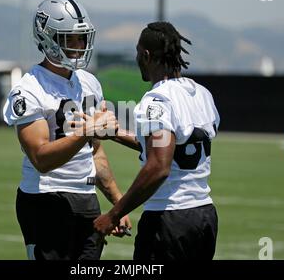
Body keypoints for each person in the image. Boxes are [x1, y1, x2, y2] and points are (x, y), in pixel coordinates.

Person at [2, 0, 131, 260]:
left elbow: (95, 152)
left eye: (81, 38)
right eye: (68, 39)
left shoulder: (90, 83)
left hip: (86, 198)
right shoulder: (29, 90)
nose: (78, 46)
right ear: (47, 38)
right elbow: (41, 158)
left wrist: (118, 203)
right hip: (45, 200)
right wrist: (86, 130)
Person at [93, 21, 220, 260]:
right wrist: (116, 134)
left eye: (138, 53)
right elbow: (173, 148)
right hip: (204, 215)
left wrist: (113, 215)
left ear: (146, 55)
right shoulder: (202, 94)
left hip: (169, 220)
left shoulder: (157, 101)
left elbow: (159, 166)